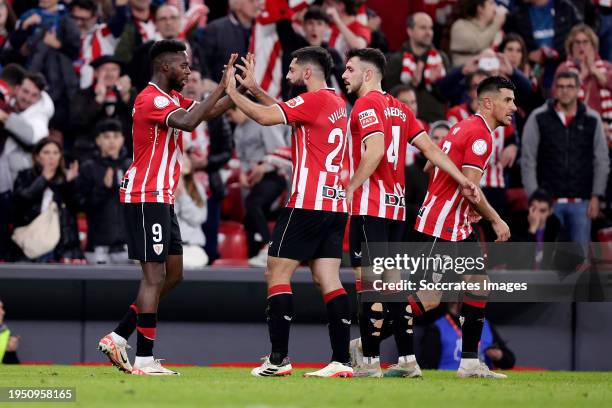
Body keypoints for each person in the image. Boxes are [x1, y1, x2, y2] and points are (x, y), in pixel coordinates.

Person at [97, 39, 239, 376]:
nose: (188, 71)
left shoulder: (172, 99)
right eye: (183, 65)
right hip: (146, 194)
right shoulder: (151, 99)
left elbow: (205, 113)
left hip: (161, 196)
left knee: (173, 274)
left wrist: (233, 92)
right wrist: (221, 87)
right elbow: (190, 122)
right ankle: (144, 359)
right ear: (164, 66)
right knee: (154, 275)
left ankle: (119, 334)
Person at [341, 48, 480, 378]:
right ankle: (407, 361)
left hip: (370, 206)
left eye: (349, 69)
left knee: (369, 286)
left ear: (368, 74)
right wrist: (461, 179)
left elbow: (374, 150)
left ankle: (370, 362)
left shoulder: (366, 104)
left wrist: (349, 189)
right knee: (393, 287)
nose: (345, 75)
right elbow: (431, 148)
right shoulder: (400, 108)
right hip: (396, 209)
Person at [225, 46, 353, 378]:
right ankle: (341, 360)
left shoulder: (314, 101)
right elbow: (284, 110)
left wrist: (231, 93)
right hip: (335, 204)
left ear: (307, 72)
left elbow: (267, 117)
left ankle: (278, 359)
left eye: (293, 67)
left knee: (276, 275)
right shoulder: (336, 102)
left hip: (306, 203)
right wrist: (253, 89)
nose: (288, 72)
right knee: (328, 279)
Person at [412, 76, 514, 379]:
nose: (513, 107)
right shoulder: (481, 135)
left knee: (478, 284)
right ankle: (366, 343)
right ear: (487, 102)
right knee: (428, 299)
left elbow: (430, 166)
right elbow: (471, 188)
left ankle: (469, 363)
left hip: (454, 223)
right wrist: (496, 218)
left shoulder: (462, 126)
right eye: (507, 100)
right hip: (441, 224)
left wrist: (463, 206)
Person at [521, 70, 609, 246]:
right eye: (560, 86)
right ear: (554, 90)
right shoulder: (538, 117)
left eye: (570, 87)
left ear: (578, 89)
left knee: (579, 264)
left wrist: (596, 196)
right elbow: (528, 159)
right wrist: (534, 196)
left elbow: (601, 159)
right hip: (546, 203)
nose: (565, 91)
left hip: (581, 203)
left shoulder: (592, 119)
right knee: (544, 260)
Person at [226, 105, 288, 267]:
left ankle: (269, 249)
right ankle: (254, 255)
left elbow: (281, 151)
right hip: (256, 180)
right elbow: (243, 159)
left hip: (274, 175)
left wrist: (264, 166)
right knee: (250, 219)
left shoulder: (263, 122)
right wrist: (242, 173)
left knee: (253, 204)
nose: (229, 118)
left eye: (230, 112)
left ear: (241, 108)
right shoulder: (239, 130)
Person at [11, 138, 82, 262]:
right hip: (32, 245)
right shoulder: (25, 177)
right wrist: (42, 179)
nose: (51, 157)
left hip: (61, 249)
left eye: (56, 153)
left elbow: (78, 207)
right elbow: (20, 203)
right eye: (46, 152)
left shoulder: (66, 179)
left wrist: (69, 184)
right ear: (37, 156)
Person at [75, 119, 131, 265]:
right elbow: (80, 206)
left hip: (128, 247)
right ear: (98, 140)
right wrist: (102, 189)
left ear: (123, 139)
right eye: (106, 137)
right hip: (99, 249)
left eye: (116, 136)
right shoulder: (89, 168)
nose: (111, 141)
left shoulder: (132, 166)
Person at [384, 12, 450, 123]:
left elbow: (448, 95)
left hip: (435, 122)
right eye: (423, 28)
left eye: (430, 28)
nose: (428, 32)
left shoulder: (441, 58)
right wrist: (411, 85)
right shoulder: (396, 59)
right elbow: (389, 96)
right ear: (410, 31)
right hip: (404, 122)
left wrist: (435, 84)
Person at [274, 5, 345, 100]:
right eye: (310, 23)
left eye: (319, 24)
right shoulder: (292, 45)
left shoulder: (331, 54)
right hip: (293, 106)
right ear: (303, 25)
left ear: (326, 27)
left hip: (322, 106)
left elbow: (346, 84)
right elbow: (281, 19)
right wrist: (296, 12)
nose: (314, 28)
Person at [419, 302, 515, 371]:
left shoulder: (485, 324)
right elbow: (427, 367)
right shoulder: (437, 328)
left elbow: (509, 361)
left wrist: (499, 355)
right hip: (451, 381)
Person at [71, 55, 135, 156]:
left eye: (114, 69)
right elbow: (77, 123)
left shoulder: (129, 94)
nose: (109, 74)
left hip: (124, 153)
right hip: (90, 152)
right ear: (96, 73)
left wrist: (127, 98)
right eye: (104, 69)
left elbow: (141, 123)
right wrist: (97, 101)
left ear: (120, 73)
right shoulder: (83, 95)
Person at [0, 71, 55, 184]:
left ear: (40, 98)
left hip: (19, 182)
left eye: (34, 95)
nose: (28, 98)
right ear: (17, 88)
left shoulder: (40, 117)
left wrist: (4, 117)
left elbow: (32, 137)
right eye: (25, 91)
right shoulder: (10, 103)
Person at [554, 24, 612, 123]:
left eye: (585, 42)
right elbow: (556, 96)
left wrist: (594, 70)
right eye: (577, 42)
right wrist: (581, 76)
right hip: (574, 125)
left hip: (607, 125)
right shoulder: (563, 68)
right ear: (571, 46)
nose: (581, 47)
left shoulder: (607, 66)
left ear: (593, 46)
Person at [69, 0, 129, 89]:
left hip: (100, 90)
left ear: (94, 18)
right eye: (75, 18)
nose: (78, 23)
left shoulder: (103, 33)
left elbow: (120, 19)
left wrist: (121, 5)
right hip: (73, 92)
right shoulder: (64, 37)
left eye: (83, 19)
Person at [174, 154, 208, 268]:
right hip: (170, 249)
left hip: (193, 249)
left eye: (187, 157)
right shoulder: (161, 188)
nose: (186, 160)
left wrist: (182, 195)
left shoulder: (197, 187)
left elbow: (198, 218)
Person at [449, 0, 506, 67]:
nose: (496, 7)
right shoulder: (460, 25)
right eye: (491, 3)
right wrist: (496, 24)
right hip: (465, 74)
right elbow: (477, 44)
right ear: (480, 9)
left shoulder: (493, 29)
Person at [0, 298, 20, 364]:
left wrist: (11, 352)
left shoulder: (5, 332)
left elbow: (14, 371)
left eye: (2, 308)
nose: (3, 312)